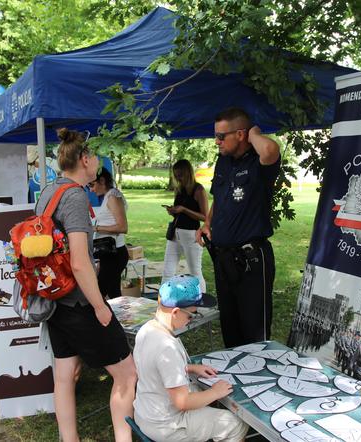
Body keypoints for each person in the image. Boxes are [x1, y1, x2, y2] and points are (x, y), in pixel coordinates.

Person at [34, 128, 136, 442]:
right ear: (85, 159)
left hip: (54, 301)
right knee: (127, 375)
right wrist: (99, 306)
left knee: (64, 377)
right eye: (95, 159)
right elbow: (79, 261)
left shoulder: (48, 191)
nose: (97, 165)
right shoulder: (76, 196)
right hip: (78, 302)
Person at [196, 107, 281, 347]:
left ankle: (257, 378)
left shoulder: (259, 163)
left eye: (222, 136)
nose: (217, 142)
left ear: (241, 135)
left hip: (252, 259)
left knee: (255, 332)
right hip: (224, 258)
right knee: (230, 329)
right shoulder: (223, 162)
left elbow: (271, 149)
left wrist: (254, 132)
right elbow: (219, 198)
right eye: (216, 136)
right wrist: (207, 223)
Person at [133, 275, 248, 442]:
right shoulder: (167, 347)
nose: (192, 320)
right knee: (236, 424)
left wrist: (189, 368)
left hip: (145, 413)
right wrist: (214, 392)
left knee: (198, 390)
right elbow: (182, 402)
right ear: (175, 312)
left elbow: (154, 368)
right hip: (166, 426)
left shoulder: (147, 329)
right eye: (191, 315)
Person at [161, 159, 209, 293]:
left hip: (191, 235)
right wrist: (173, 211)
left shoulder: (198, 190)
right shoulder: (179, 189)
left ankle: (202, 302)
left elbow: (205, 216)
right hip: (175, 233)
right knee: (167, 270)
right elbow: (180, 211)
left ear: (188, 173)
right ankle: (164, 301)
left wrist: (184, 210)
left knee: (195, 271)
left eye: (180, 175)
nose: (178, 178)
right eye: (176, 176)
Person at [89, 167, 129, 299]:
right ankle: (121, 319)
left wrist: (95, 228)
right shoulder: (109, 196)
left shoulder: (112, 197)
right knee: (115, 296)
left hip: (115, 254)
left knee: (98, 296)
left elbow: (122, 227)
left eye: (92, 185)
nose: (91, 189)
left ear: (102, 180)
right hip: (109, 253)